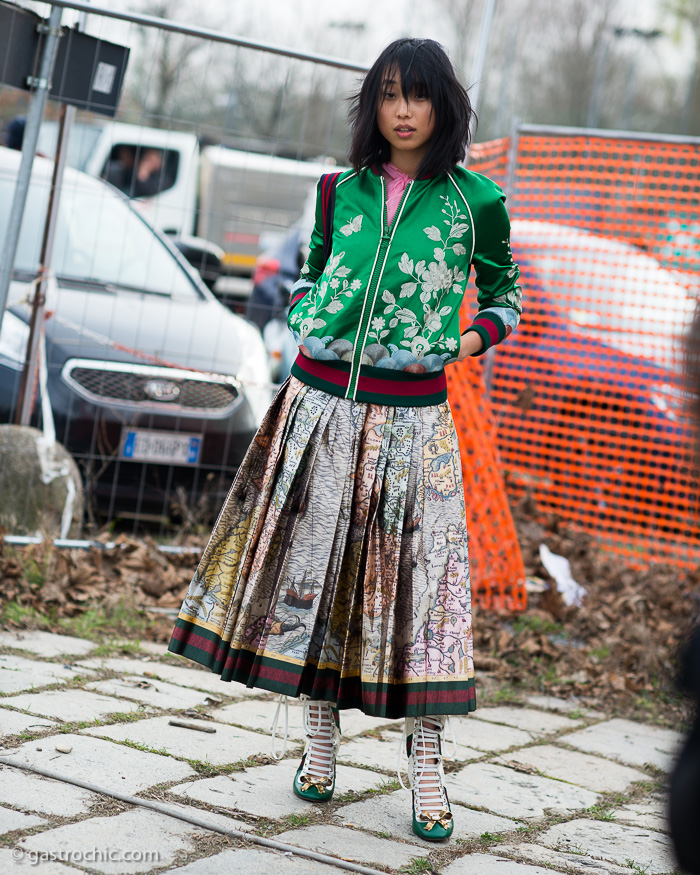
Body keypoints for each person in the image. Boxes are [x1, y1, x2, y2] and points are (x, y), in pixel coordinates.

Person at [168, 37, 522, 841]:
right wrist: (304, 319)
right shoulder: (336, 190)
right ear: (374, 105)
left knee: (421, 586)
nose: (402, 110)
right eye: (389, 94)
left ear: (444, 106)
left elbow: (507, 294)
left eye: (418, 95)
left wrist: (463, 343)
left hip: (414, 421)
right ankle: (319, 732)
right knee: (319, 572)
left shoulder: (479, 202)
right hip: (321, 407)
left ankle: (425, 754)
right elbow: (309, 268)